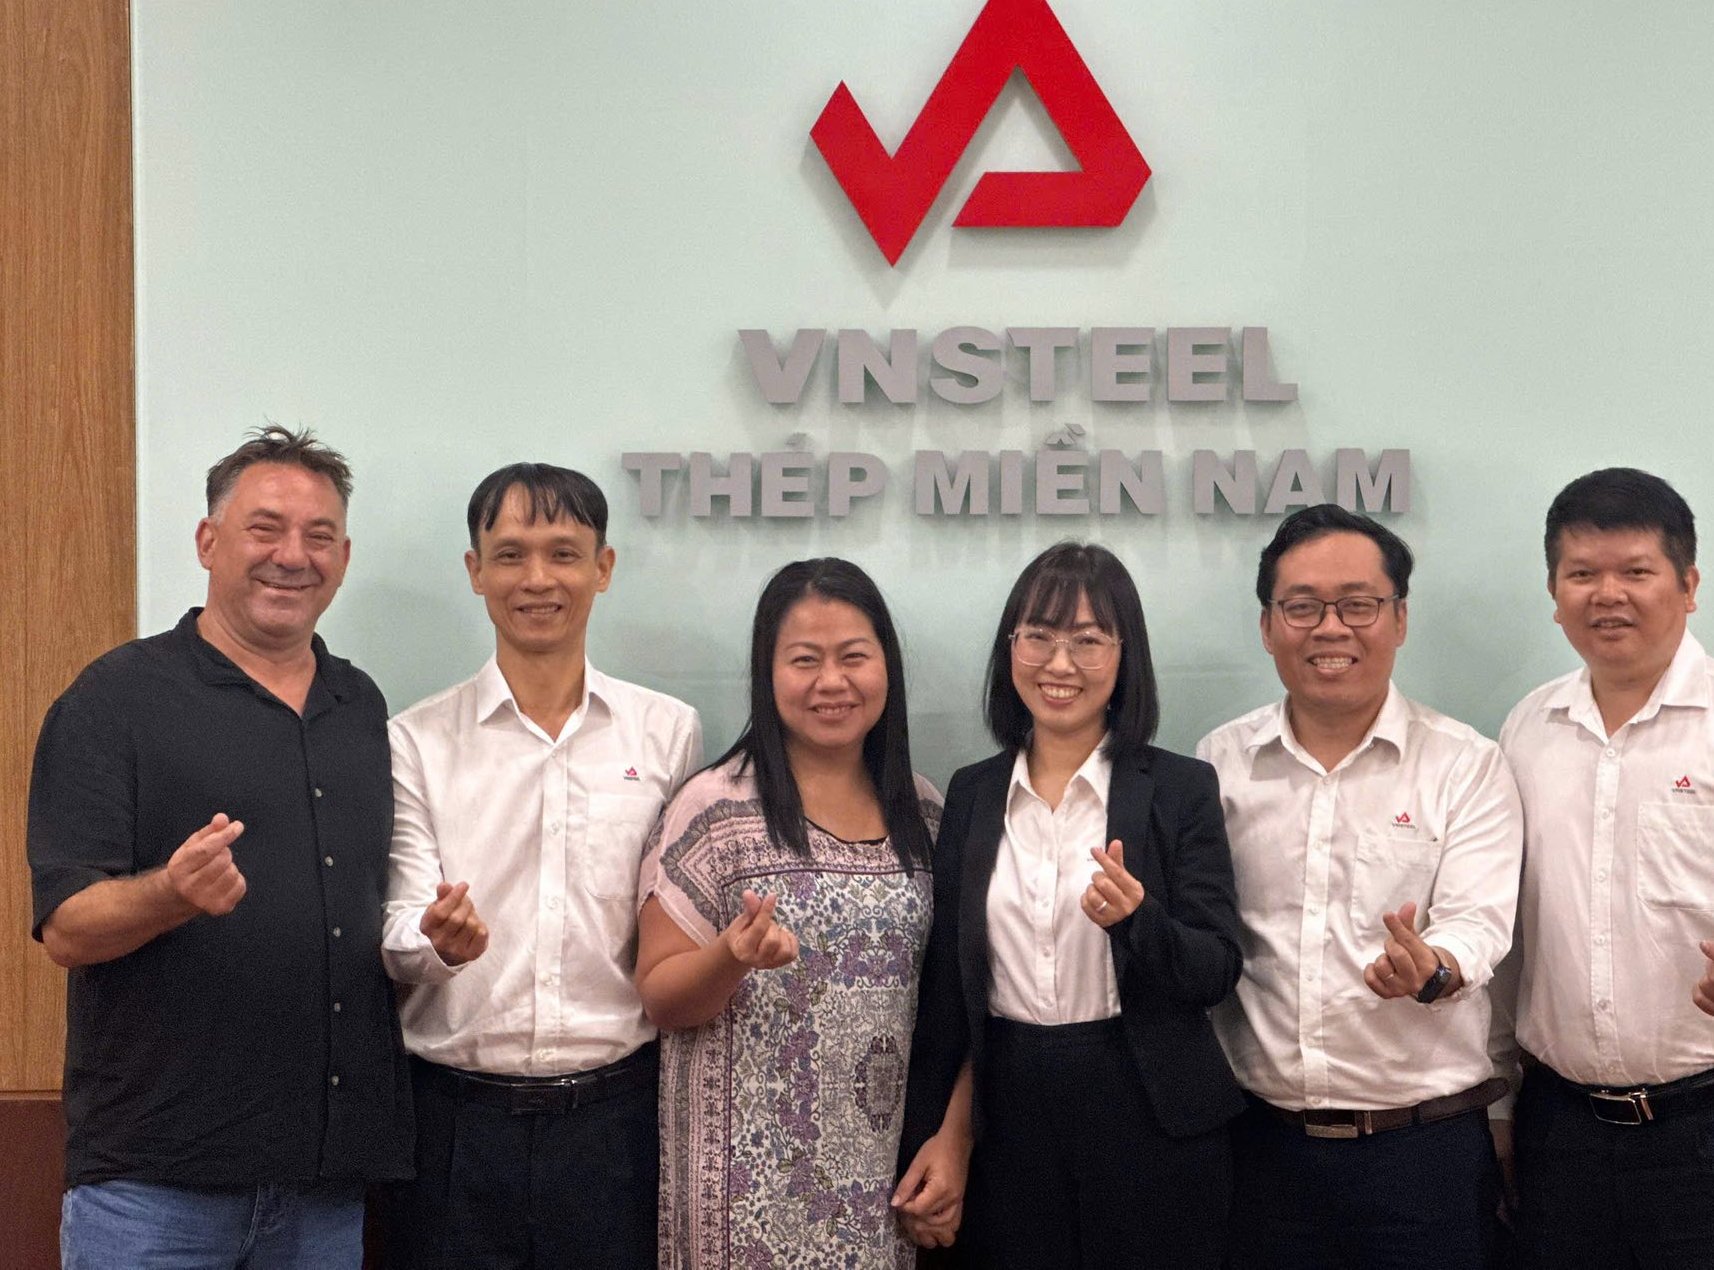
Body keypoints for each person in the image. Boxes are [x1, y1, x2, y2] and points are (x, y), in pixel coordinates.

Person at [26, 425, 413, 1268]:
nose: (292, 556)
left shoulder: (360, 705)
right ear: (208, 542)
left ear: (344, 558)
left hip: (325, 1189)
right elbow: (66, 928)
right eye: (264, 529)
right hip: (155, 1189)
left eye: (318, 537)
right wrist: (170, 893)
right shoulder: (115, 699)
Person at [1499, 468, 1714, 1270]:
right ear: (1554, 593)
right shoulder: (1528, 729)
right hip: (1563, 1130)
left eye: (1635, 572)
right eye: (1582, 574)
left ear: (1688, 586)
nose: (1607, 595)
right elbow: (1509, 935)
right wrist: (1500, 1108)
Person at [379, 463, 700, 1269]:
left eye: (563, 553)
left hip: (617, 1121)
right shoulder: (415, 740)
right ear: (474, 571)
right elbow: (398, 926)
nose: (537, 579)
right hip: (453, 1125)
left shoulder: (667, 734)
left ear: (603, 567)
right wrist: (435, 941)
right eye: (510, 555)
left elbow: (678, 924)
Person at [901, 541, 1243, 1270]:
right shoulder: (972, 793)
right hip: (1009, 1110)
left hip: (1148, 1108)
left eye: (1088, 641)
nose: (1060, 664)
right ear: (1011, 649)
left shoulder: (1179, 788)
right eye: (1039, 637)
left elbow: (1216, 970)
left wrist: (1139, 920)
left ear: (1124, 657)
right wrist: (945, 1133)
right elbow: (954, 993)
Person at [1196, 504, 1522, 1269]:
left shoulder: (1464, 765)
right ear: (1268, 625)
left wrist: (1433, 968)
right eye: (1302, 607)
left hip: (1422, 1156)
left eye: (1358, 604)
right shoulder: (1219, 764)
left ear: (1399, 618)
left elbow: (1479, 921)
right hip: (1260, 1152)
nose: (1330, 628)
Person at [636, 557, 941, 1270]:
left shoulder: (926, 815)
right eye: (805, 660)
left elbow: (952, 1005)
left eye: (853, 657)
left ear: (887, 668)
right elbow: (660, 996)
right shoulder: (714, 810)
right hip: (738, 1212)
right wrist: (730, 957)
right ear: (767, 673)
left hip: (881, 1194)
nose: (831, 682)